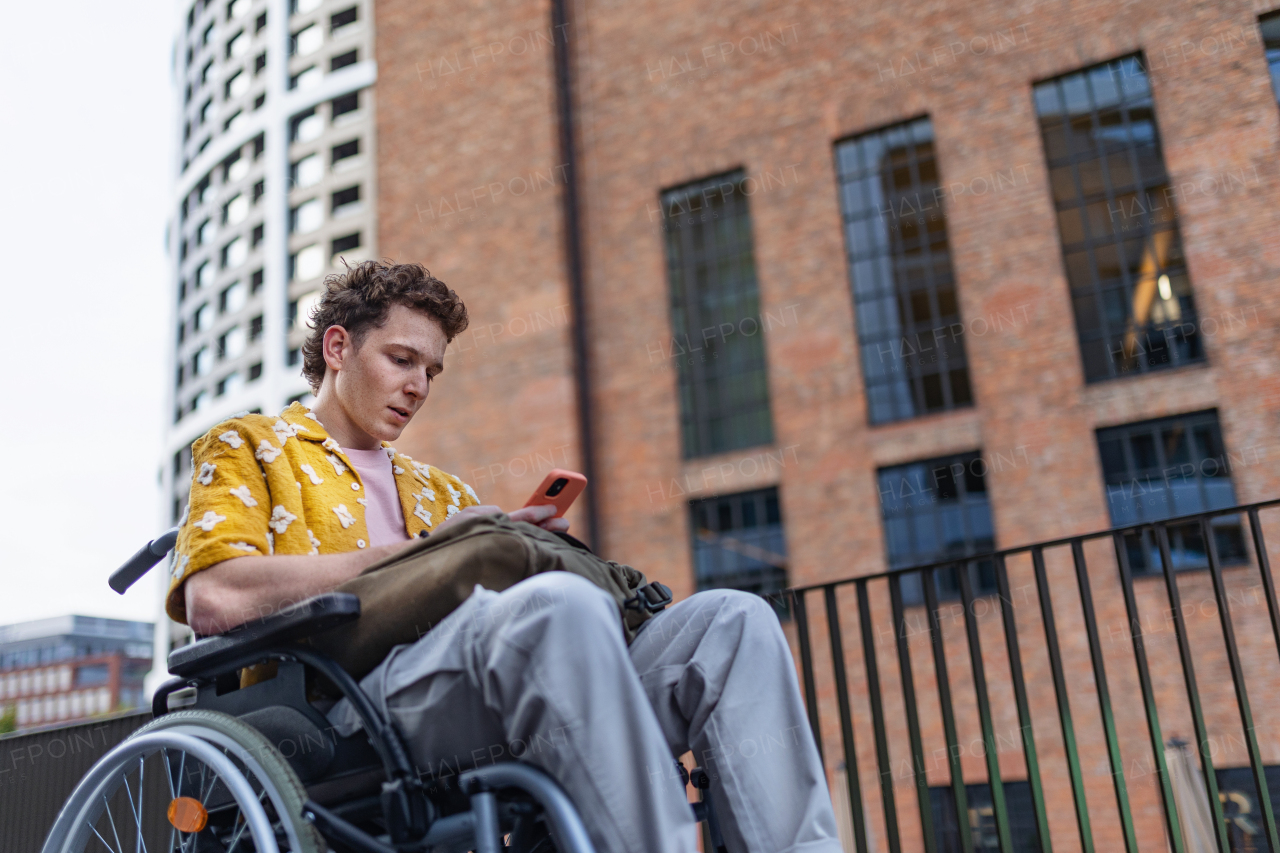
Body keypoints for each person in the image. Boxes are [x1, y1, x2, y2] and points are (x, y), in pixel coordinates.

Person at [168, 260, 842, 853]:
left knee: (732, 619)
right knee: (559, 606)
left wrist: (505, 538)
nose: (420, 386)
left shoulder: (441, 489)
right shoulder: (248, 446)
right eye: (402, 360)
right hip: (348, 698)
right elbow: (215, 598)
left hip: (508, 671)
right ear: (338, 347)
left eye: (431, 370)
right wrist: (409, 554)